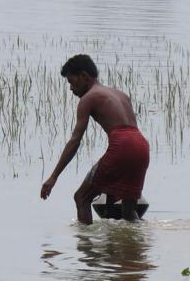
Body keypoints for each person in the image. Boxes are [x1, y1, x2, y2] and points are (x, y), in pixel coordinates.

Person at [40, 54, 150, 224]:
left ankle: (86, 248)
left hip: (122, 145)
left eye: (71, 82)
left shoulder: (88, 98)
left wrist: (54, 177)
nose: (71, 88)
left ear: (84, 76)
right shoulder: (120, 94)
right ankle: (135, 244)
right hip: (142, 145)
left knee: (81, 197)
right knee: (129, 210)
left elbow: (75, 141)